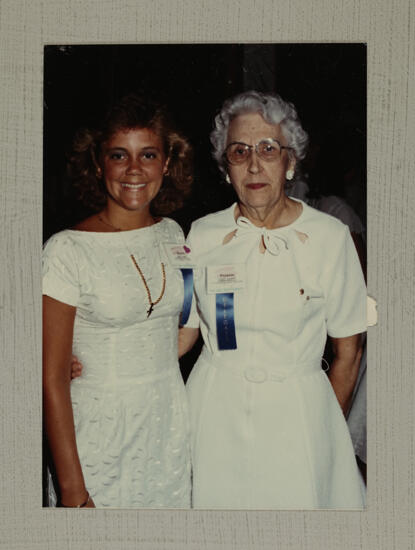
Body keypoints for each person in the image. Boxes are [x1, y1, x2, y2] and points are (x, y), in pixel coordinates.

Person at [179, 90, 367, 509]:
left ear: (291, 161)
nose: (253, 164)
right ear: (225, 168)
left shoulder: (330, 238)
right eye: (239, 151)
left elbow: (349, 354)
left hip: (298, 415)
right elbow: (181, 332)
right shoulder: (200, 235)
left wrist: (321, 430)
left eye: (268, 148)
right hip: (214, 415)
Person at [43, 93, 193, 508]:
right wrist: (73, 491)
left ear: (166, 162)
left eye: (147, 154)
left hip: (168, 427)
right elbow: (51, 378)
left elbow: (177, 329)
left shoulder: (175, 235)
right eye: (117, 155)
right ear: (97, 163)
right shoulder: (66, 249)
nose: (133, 170)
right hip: (98, 434)